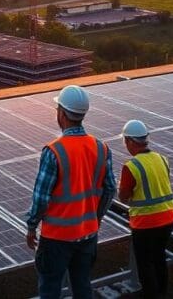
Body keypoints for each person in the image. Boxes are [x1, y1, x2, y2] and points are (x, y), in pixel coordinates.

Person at [26, 85, 116, 299]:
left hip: (56, 238)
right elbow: (110, 189)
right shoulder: (101, 148)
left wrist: (31, 226)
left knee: (50, 289)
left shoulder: (54, 151)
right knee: (83, 285)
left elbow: (41, 198)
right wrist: (97, 217)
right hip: (88, 234)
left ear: (62, 114)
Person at [118, 120, 173, 299]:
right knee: (159, 258)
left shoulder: (131, 166)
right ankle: (161, 293)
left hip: (145, 223)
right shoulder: (162, 159)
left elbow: (123, 196)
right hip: (168, 219)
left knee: (145, 264)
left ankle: (151, 295)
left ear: (129, 141)